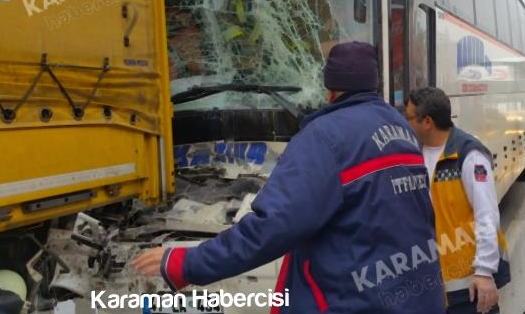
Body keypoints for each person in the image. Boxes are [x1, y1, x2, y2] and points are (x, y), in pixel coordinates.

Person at [132, 42, 446, 314]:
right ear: (374, 84)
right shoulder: (400, 128)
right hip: (417, 295)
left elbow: (272, 227)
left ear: (329, 91)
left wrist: (187, 264)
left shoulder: (324, 137)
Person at [406, 88, 510, 314]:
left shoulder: (468, 155)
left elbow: (487, 214)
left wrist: (484, 272)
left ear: (427, 122)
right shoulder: (414, 154)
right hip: (434, 284)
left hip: (469, 286)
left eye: (409, 118)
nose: (406, 123)